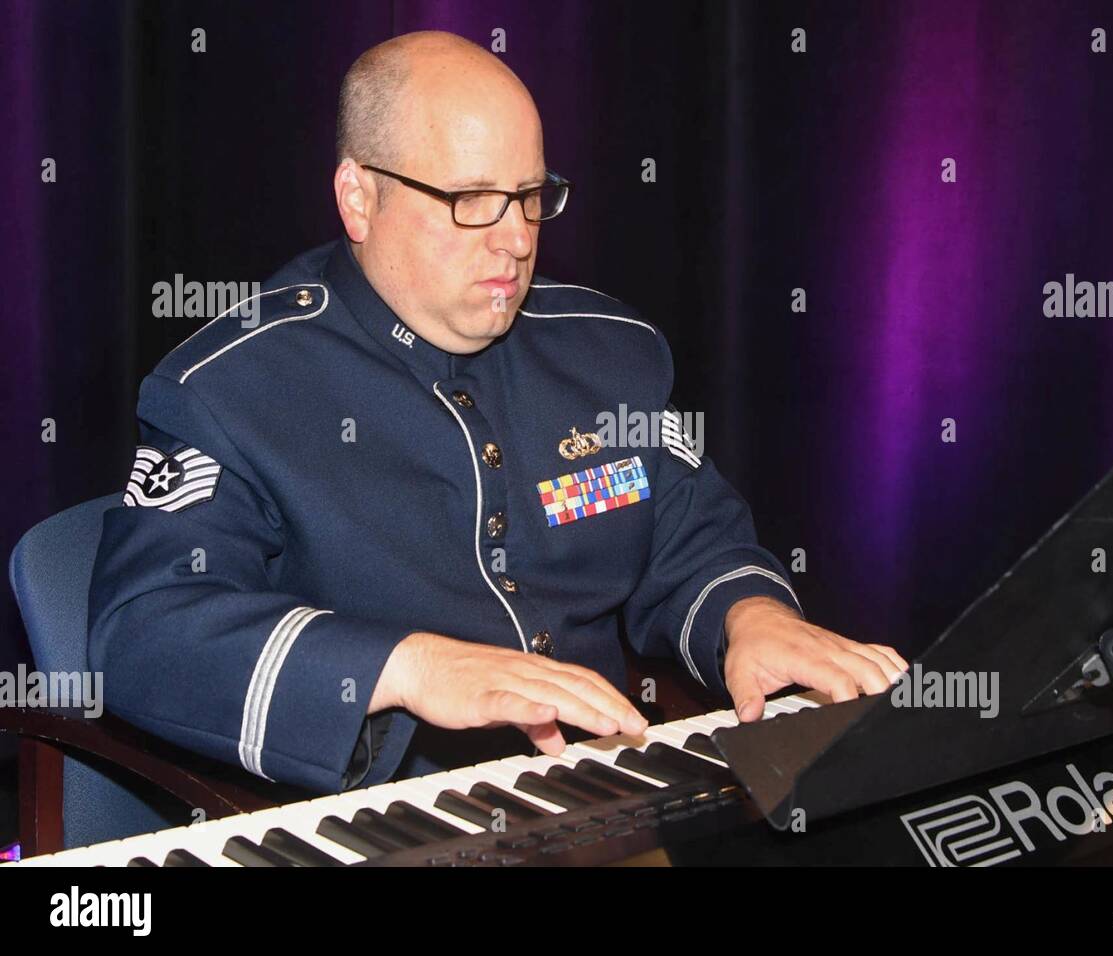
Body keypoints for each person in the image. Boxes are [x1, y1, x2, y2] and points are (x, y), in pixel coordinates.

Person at [87, 30, 906, 794]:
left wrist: (750, 616)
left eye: (529, 197)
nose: (515, 238)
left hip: (594, 794)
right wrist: (407, 666)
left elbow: (689, 541)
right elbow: (144, 631)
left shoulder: (609, 352)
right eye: (472, 199)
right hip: (377, 812)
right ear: (358, 198)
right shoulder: (233, 387)